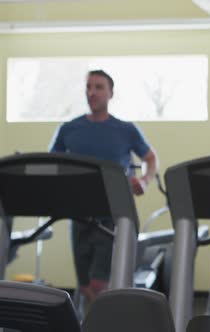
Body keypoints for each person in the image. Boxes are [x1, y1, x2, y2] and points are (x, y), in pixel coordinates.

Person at [49, 69, 159, 303]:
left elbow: (150, 158)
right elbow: (52, 166)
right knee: (86, 286)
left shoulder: (125, 129)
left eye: (99, 87)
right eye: (89, 87)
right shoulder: (69, 129)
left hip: (113, 213)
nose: (92, 92)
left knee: (101, 283)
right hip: (78, 214)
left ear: (110, 93)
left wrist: (144, 181)